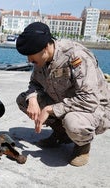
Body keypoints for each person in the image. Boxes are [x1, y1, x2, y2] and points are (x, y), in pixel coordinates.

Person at [15, 22, 110, 167]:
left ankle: (82, 145)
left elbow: (89, 99)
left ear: (46, 48)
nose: (28, 60)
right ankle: (61, 133)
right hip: (65, 102)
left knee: (73, 123)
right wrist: (33, 98)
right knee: (24, 100)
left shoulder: (76, 56)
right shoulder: (41, 60)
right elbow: (34, 83)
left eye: (30, 55)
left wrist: (50, 109)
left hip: (94, 108)